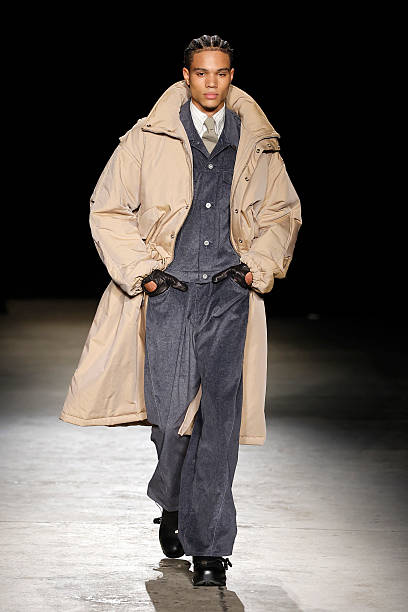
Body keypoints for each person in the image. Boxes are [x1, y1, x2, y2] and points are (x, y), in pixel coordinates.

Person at [59, 33, 302, 588]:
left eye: (222, 72)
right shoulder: (147, 137)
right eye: (202, 72)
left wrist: (255, 267)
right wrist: (144, 272)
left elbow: (283, 212)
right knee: (170, 419)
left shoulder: (257, 142)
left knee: (218, 421)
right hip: (167, 294)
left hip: (228, 293)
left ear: (232, 76)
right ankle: (172, 500)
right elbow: (108, 208)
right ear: (186, 76)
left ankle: (211, 547)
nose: (212, 82)